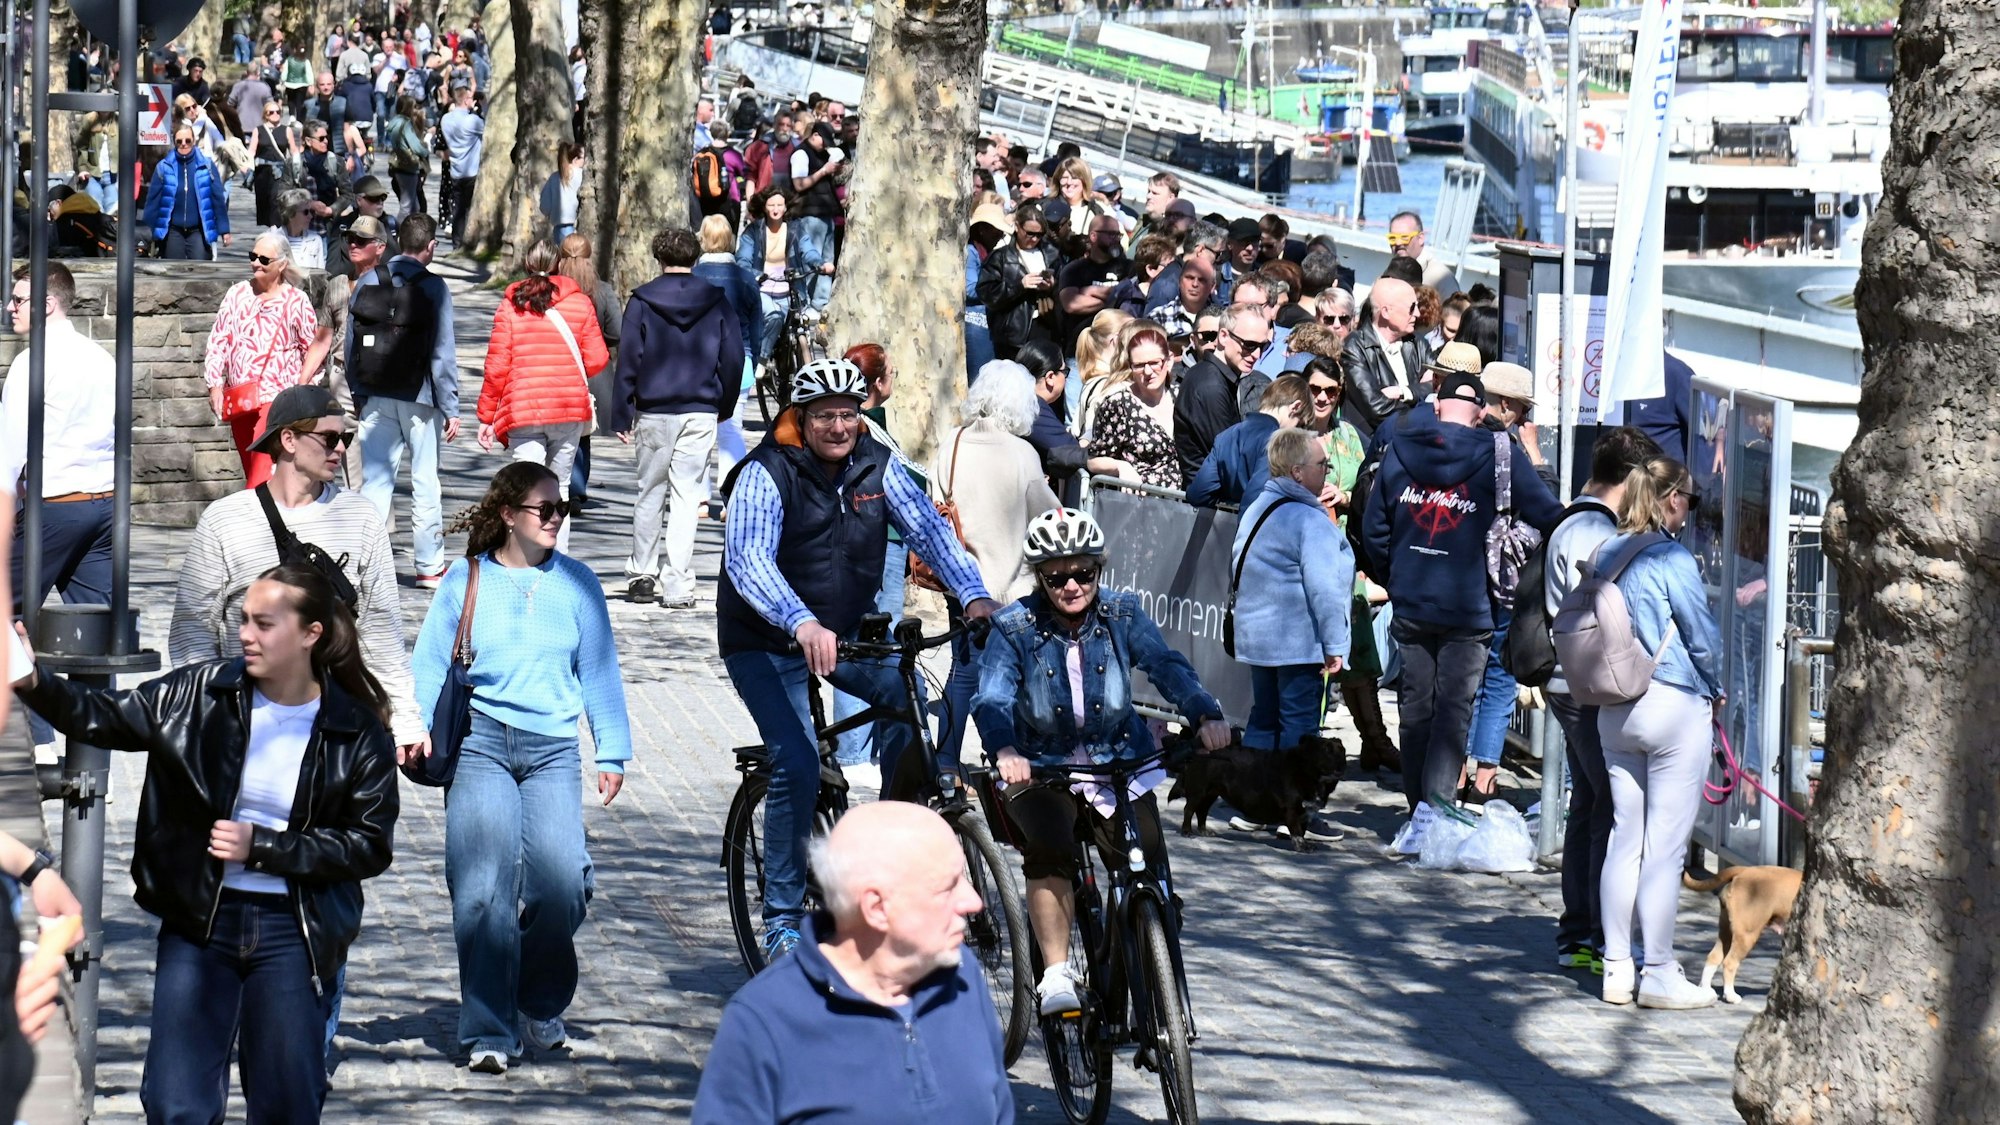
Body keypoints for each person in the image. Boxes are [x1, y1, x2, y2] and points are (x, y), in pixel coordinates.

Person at [18, 561, 399, 1121]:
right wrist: (31, 679)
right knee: (176, 1103)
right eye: (243, 620)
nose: (246, 634)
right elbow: (102, 717)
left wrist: (264, 847)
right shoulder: (200, 692)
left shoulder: (356, 729)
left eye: (265, 624)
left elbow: (368, 844)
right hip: (201, 923)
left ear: (311, 634)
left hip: (294, 931)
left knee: (287, 1103)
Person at [719, 359, 999, 962]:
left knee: (913, 715)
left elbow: (927, 529)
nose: (840, 426)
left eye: (849, 414)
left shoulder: (878, 464)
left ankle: (890, 854)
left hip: (842, 632)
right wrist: (799, 620)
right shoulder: (767, 473)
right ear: (801, 419)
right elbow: (747, 559)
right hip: (764, 639)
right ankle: (783, 917)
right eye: (825, 416)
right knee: (794, 760)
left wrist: (972, 592)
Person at [413, 463, 632, 1072]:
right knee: (482, 887)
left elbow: (600, 670)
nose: (557, 518)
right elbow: (430, 662)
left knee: (561, 886)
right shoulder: (467, 578)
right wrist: (411, 731)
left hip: (553, 749)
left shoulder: (579, 584)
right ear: (508, 515)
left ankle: (538, 1000)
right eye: (545, 509)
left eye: (562, 509)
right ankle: (488, 1027)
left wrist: (611, 750)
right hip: (480, 743)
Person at [973, 507, 1229, 1015]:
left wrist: (1204, 714)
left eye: (1083, 572)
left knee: (1147, 859)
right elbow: (992, 698)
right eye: (1057, 576)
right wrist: (1004, 749)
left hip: (1117, 762)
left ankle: (1139, 947)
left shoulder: (1122, 614)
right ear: (1040, 577)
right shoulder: (1014, 627)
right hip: (1041, 767)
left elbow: (1166, 665)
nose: (1072, 585)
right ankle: (1056, 973)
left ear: (1099, 569)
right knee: (1049, 848)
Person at [692, 803, 1013, 1123]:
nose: (974, 903)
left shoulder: (962, 976)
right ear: (876, 908)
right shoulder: (764, 1021)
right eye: (948, 886)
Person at [1363, 371, 1563, 847]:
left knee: (1415, 709)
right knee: (1454, 710)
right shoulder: (1500, 453)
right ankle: (1432, 815)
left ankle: (1420, 814)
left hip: (1412, 598)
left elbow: (1373, 527)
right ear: (1480, 412)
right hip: (1470, 603)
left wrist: (1398, 577)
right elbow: (1548, 514)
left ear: (1437, 406)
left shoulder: (1399, 450)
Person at [1592, 456, 1723, 1011]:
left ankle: (1617, 968)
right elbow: (1701, 637)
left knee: (1625, 837)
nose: (1690, 510)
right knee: (1664, 849)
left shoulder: (1605, 551)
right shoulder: (1673, 557)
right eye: (1689, 500)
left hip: (1614, 704)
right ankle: (1661, 971)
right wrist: (1717, 687)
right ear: (1672, 500)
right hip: (1671, 703)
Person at [1545, 427, 1665, 974]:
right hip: (1586, 684)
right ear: (1634, 479)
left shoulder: (1574, 518)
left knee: (1591, 804)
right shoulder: (1595, 529)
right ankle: (1593, 932)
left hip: (1573, 679)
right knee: (1608, 808)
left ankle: (1581, 931)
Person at [2, 263, 113, 753]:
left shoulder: (34, 361)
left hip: (55, 507)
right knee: (94, 632)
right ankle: (96, 749)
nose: (10, 307)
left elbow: (8, 452)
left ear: (48, 304)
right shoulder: (101, 357)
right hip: (102, 508)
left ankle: (34, 734)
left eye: (19, 299)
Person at [931, 363, 1060, 774]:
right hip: (1011, 591)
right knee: (1010, 679)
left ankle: (948, 763)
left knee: (964, 673)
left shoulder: (951, 442)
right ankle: (1003, 760)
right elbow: (1048, 516)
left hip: (961, 584)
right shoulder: (1023, 453)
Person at [611, 227, 741, 608]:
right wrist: (726, 405)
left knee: (649, 491)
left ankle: (642, 573)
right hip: (700, 408)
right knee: (687, 496)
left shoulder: (642, 301)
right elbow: (732, 359)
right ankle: (679, 583)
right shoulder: (717, 302)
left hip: (654, 409)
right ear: (695, 259)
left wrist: (622, 410)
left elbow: (629, 358)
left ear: (659, 259)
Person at [476, 240, 610, 554]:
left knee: (525, 489)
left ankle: (526, 554)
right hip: (567, 408)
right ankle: (557, 559)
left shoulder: (511, 304)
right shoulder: (579, 303)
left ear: (526, 263)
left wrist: (486, 416)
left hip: (523, 410)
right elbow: (597, 359)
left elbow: (497, 365)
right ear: (557, 265)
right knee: (559, 485)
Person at [1232, 427, 1354, 762]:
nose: (1326, 471)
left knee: (1263, 721)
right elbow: (1325, 590)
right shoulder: (1308, 519)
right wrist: (1334, 645)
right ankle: (1291, 808)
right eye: (1321, 465)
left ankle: (1253, 806)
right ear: (1297, 473)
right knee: (1299, 730)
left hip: (1258, 639)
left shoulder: (1259, 506)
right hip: (1297, 645)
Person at [1300, 356, 1397, 772]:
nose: (1322, 397)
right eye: (1315, 389)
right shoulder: (1292, 437)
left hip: (1345, 555)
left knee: (1358, 650)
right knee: (1316, 659)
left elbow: (1365, 491)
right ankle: (1307, 748)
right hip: (1306, 557)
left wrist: (1345, 497)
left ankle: (1375, 739)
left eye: (1331, 391)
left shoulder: (1350, 438)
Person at [353, 213, 460, 588]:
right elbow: (442, 353)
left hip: (377, 392)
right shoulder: (435, 288)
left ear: (399, 241)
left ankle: (365, 566)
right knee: (425, 482)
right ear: (430, 246)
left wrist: (358, 393)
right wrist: (451, 407)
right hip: (420, 396)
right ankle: (429, 567)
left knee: (375, 483)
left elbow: (352, 341)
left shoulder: (369, 278)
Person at [204, 233, 326, 488]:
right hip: (240, 399)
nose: (256, 263)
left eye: (263, 259)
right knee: (254, 472)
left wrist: (303, 392)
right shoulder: (237, 294)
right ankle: (274, 522)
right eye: (253, 257)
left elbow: (312, 351)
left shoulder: (296, 301)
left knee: (259, 475)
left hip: (277, 401)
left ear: (281, 264)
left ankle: (255, 523)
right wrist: (215, 385)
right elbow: (218, 342)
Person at [555, 233, 622, 504]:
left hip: (558, 366)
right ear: (590, 255)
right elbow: (617, 331)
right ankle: (577, 486)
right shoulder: (602, 290)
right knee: (583, 432)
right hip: (594, 371)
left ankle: (560, 482)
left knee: (561, 429)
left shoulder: (552, 290)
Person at [1173, 301, 1269, 482]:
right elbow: (1231, 462)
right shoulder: (1210, 385)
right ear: (1223, 336)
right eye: (1249, 345)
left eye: (1262, 346)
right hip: (1209, 504)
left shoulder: (1218, 377)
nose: (1256, 354)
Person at [1187, 374, 1311, 508]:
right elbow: (1256, 505)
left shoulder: (1226, 436)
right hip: (1254, 526)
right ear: (1296, 407)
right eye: (1299, 424)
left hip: (1224, 525)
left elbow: (1198, 494)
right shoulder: (1278, 442)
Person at [1083, 321, 1180, 489]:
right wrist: (1121, 467)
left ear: (1168, 361)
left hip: (1181, 507)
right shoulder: (1118, 404)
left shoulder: (1181, 396)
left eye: (1155, 363)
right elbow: (1093, 460)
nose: (1148, 372)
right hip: (1134, 504)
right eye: (1139, 366)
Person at [736, 186, 818, 367]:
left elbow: (808, 251)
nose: (775, 209)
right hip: (763, 289)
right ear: (764, 207)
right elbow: (743, 260)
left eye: (779, 205)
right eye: (771, 204)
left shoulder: (796, 229)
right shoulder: (753, 231)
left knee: (798, 323)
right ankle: (763, 360)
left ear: (786, 207)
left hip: (791, 289)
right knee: (774, 317)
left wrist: (820, 264)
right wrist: (756, 275)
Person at [1342, 275, 1431, 439]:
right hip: (1371, 446)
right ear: (1386, 312)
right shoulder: (1355, 346)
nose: (1418, 313)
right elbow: (1376, 408)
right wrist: (1422, 410)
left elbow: (1441, 386)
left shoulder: (1418, 344)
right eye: (1412, 307)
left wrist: (1404, 392)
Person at [977, 202, 1062, 362]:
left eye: (1040, 234)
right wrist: (1020, 285)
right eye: (1030, 233)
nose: (1034, 239)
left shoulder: (1052, 253)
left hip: (1045, 326)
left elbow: (1065, 288)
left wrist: (1052, 285)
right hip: (1013, 334)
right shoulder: (1000, 257)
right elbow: (987, 294)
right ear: (1017, 227)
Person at [1015, 339, 1088, 506]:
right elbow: (1068, 449)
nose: (1067, 378)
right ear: (1050, 378)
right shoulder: (1031, 406)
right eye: (1065, 372)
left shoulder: (1019, 400)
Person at [144, 124, 232, 259]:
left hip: (198, 230)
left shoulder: (206, 166)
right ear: (174, 142)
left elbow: (217, 200)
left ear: (194, 141)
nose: (183, 144)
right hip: (173, 230)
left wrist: (224, 230)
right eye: (179, 141)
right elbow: (153, 201)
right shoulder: (164, 167)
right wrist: (149, 230)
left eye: (187, 140)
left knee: (200, 271)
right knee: (172, 271)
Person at [786, 123, 843, 310]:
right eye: (823, 141)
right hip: (809, 215)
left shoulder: (822, 155)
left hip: (826, 215)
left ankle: (821, 305)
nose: (825, 146)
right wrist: (824, 171)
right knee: (811, 262)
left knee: (827, 264)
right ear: (815, 135)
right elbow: (799, 185)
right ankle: (805, 305)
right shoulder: (801, 154)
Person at [439, 87, 483, 244]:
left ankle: (457, 243)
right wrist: (477, 111)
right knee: (471, 208)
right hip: (472, 169)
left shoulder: (445, 119)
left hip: (456, 169)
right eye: (471, 97)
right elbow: (486, 130)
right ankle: (469, 241)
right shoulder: (472, 120)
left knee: (458, 208)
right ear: (466, 100)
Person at [1387, 210, 1461, 296]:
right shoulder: (1391, 273)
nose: (1398, 243)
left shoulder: (1440, 276)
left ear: (1420, 238)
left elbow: (1455, 308)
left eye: (1404, 237)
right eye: (1393, 238)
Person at [248, 99, 294, 228]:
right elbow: (252, 150)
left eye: (278, 112)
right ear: (265, 115)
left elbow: (294, 151)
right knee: (264, 200)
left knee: (276, 199)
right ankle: (269, 226)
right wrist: (247, 167)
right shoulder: (258, 130)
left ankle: (276, 227)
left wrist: (296, 166)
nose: (275, 114)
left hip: (279, 171)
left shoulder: (286, 130)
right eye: (271, 112)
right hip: (262, 171)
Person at [382, 94, 430, 216]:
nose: (415, 110)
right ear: (408, 108)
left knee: (414, 206)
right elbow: (416, 147)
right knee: (407, 206)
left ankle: (411, 232)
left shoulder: (395, 122)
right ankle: (401, 233)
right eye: (413, 107)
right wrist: (425, 150)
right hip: (409, 167)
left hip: (398, 166)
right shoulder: (406, 124)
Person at [269, 187, 326, 270]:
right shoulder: (272, 239)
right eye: (306, 212)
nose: (310, 216)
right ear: (290, 213)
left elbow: (321, 275)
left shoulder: (316, 240)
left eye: (311, 211)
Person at [539, 141, 584, 243]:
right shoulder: (581, 175)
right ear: (575, 159)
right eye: (583, 158)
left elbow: (544, 206)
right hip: (575, 226)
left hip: (558, 230)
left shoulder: (554, 178)